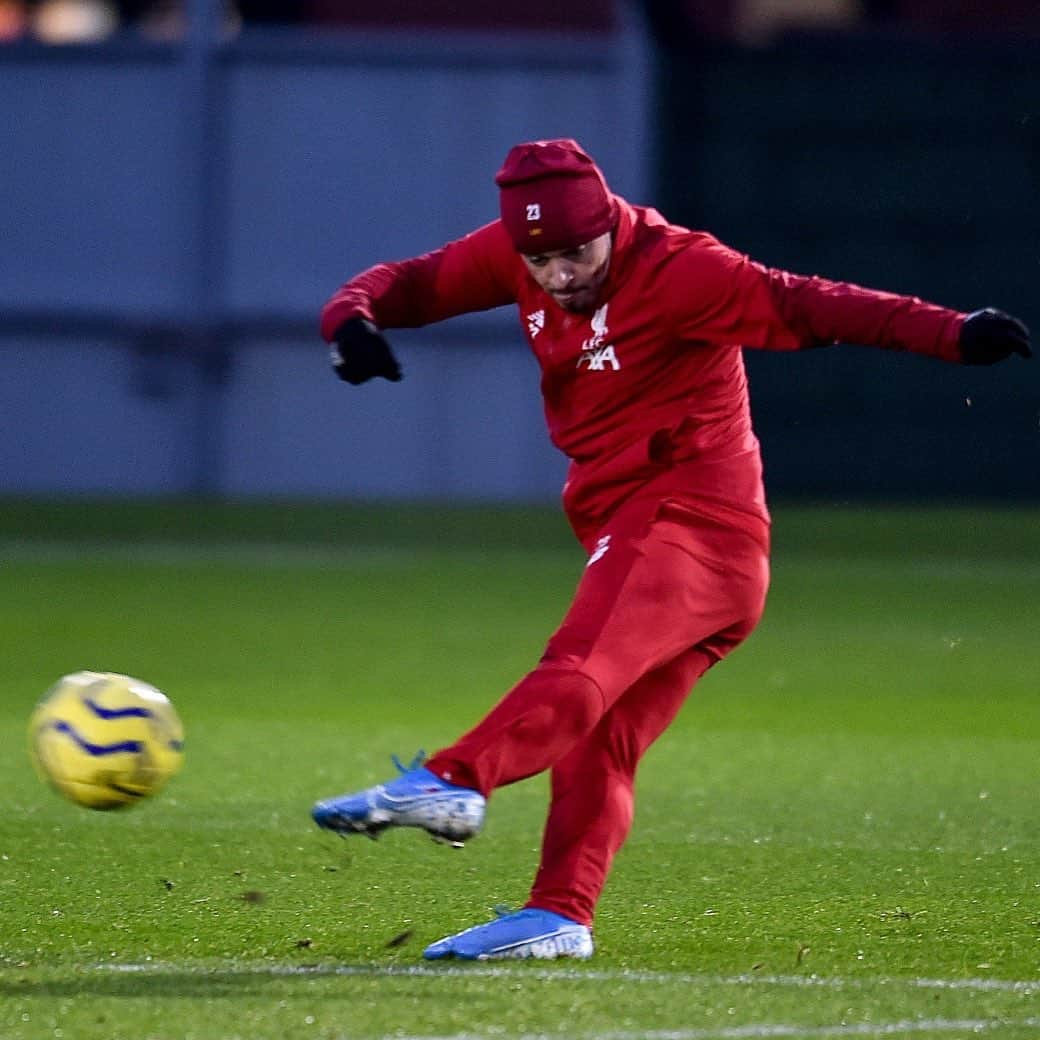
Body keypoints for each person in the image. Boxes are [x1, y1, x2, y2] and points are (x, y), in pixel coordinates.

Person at [311, 138, 1031, 961]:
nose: (558, 275)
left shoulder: (683, 269)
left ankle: (455, 782)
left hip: (690, 522)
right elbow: (409, 282)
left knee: (581, 664)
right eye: (539, 259)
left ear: (609, 224)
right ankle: (560, 916)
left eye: (575, 253)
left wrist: (952, 333)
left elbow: (810, 303)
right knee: (599, 740)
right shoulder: (523, 253)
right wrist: (351, 320)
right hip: (677, 542)